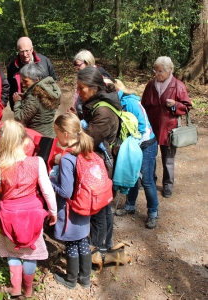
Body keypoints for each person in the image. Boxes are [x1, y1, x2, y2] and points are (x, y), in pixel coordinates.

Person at [0, 119, 57, 297]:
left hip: (10, 216)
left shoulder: (1, 165)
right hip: (33, 216)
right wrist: (53, 212)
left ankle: (15, 289)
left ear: (2, 143)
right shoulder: (37, 162)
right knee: (31, 254)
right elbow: (48, 191)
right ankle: (28, 290)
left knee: (13, 254)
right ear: (25, 141)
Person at [72, 66, 121, 254]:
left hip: (100, 166)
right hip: (101, 163)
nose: (78, 92)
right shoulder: (98, 103)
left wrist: (72, 135)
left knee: (99, 209)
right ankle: (106, 243)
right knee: (105, 207)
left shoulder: (102, 112)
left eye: (81, 88)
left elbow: (88, 142)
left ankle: (97, 249)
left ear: (93, 88)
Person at [50, 112, 93, 289]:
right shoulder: (86, 149)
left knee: (71, 243)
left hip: (71, 209)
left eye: (57, 133)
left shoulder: (68, 159)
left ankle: (70, 279)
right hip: (86, 205)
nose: (56, 137)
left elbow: (66, 191)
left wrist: (51, 181)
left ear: (65, 134)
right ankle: (85, 278)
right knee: (82, 240)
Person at [109, 82, 159, 229]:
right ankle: (130, 205)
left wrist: (128, 147)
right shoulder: (117, 102)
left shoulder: (129, 102)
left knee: (147, 179)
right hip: (133, 143)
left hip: (146, 143)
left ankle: (153, 213)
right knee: (132, 175)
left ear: (116, 90)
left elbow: (142, 128)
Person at [141, 56, 192, 198]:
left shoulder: (178, 85)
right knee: (149, 155)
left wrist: (175, 104)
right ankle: (150, 179)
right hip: (151, 127)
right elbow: (143, 105)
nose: (157, 74)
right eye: (155, 70)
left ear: (170, 71)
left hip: (168, 128)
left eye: (160, 71)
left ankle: (168, 185)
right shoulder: (151, 85)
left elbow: (187, 106)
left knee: (168, 159)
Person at [7, 36, 58, 111]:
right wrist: (14, 107)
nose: (25, 54)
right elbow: (11, 88)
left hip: (44, 106)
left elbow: (54, 81)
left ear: (32, 49)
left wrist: (55, 102)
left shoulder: (44, 61)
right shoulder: (12, 65)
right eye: (22, 51)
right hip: (24, 107)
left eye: (27, 50)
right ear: (18, 50)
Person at [13, 63, 61, 137]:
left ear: (36, 80)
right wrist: (26, 97)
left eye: (26, 81)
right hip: (50, 135)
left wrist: (17, 102)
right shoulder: (48, 90)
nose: (23, 84)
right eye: (22, 81)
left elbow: (20, 119)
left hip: (37, 138)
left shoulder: (34, 96)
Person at [73, 49, 115, 119]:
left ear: (87, 62)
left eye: (78, 65)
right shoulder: (85, 76)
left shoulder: (99, 75)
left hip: (92, 116)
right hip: (83, 114)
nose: (77, 68)